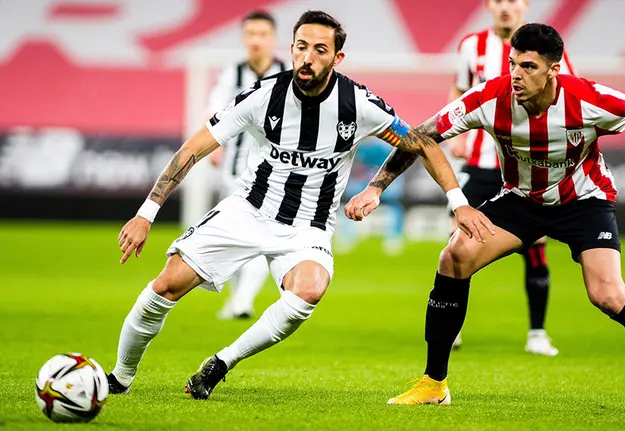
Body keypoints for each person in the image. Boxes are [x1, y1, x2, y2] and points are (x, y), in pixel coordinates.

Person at [346, 24, 625, 417]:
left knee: (607, 295)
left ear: (554, 70)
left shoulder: (588, 99)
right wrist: (376, 188)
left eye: (529, 67)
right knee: (453, 257)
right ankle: (434, 384)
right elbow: (421, 136)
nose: (516, 75)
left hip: (584, 202)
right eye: (513, 64)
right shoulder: (489, 97)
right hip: (522, 200)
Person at [107, 10, 493, 400]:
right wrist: (145, 214)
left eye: (320, 50)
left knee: (309, 289)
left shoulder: (357, 104)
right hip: (248, 211)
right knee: (165, 286)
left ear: (337, 58)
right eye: (301, 47)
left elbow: (421, 144)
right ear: (291, 49)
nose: (307, 57)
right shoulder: (264, 94)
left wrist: (451, 200)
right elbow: (194, 148)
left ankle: (222, 362)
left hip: (308, 227)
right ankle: (119, 377)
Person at [448, 0, 575, 354]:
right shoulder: (471, 46)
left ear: (525, 5)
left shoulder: (547, 49)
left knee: (535, 247)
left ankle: (537, 333)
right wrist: (458, 136)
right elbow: (459, 91)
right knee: (456, 244)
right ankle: (452, 327)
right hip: (480, 162)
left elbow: (568, 94)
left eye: (513, 0)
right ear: (489, 5)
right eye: (499, 0)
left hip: (526, 167)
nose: (506, 8)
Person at [206, 11, 287, 320]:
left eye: (262, 34)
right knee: (237, 236)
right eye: (251, 34)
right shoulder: (231, 75)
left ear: (273, 38)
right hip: (236, 171)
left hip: (275, 173)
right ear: (243, 38)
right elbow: (214, 112)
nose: (256, 40)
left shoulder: (289, 73)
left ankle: (242, 300)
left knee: (255, 236)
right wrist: (216, 146)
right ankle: (237, 298)